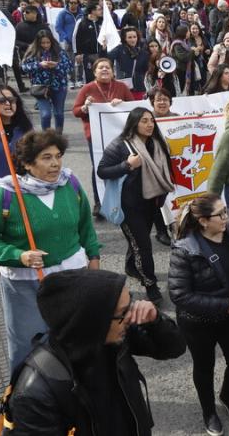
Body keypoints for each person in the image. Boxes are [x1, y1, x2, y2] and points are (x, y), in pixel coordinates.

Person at [2, 268, 185, 435]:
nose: (130, 316)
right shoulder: (35, 392)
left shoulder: (114, 334)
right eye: (123, 312)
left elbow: (174, 348)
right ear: (93, 322)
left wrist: (155, 321)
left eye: (130, 303)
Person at [0, 130, 99, 373]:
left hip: (73, 277)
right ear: (28, 163)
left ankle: (77, 391)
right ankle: (26, 400)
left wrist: (93, 257)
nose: (56, 164)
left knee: (75, 337)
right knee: (28, 345)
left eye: (58, 156)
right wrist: (19, 255)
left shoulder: (69, 183)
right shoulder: (6, 194)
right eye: (46, 157)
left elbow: (85, 226)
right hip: (25, 285)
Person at [169, 193, 229, 436]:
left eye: (225, 211)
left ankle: (227, 397)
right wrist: (222, 306)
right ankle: (209, 412)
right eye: (221, 214)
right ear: (204, 221)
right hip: (198, 322)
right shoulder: (185, 249)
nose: (226, 218)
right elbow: (179, 295)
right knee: (204, 367)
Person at [97, 107, 174, 305]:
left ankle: (131, 267)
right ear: (134, 123)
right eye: (144, 121)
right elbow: (102, 171)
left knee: (138, 243)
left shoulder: (158, 143)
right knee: (144, 246)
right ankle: (150, 284)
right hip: (128, 208)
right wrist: (127, 165)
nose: (149, 125)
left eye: (151, 120)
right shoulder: (120, 145)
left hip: (151, 204)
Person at [72, 58, 132, 218]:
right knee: (99, 167)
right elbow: (76, 111)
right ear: (94, 72)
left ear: (113, 72)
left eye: (108, 67)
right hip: (96, 136)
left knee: (124, 166)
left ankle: (124, 199)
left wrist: (122, 104)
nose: (105, 70)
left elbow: (133, 106)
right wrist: (85, 107)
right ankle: (99, 201)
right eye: (101, 68)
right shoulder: (87, 88)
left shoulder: (121, 87)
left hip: (120, 136)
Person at [20, 30, 73, 132]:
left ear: (52, 41)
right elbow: (24, 67)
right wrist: (39, 65)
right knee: (45, 115)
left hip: (59, 86)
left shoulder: (59, 51)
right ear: (38, 43)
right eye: (43, 43)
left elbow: (69, 67)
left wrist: (56, 65)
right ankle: (46, 138)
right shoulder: (33, 52)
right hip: (40, 88)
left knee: (59, 114)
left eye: (48, 42)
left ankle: (58, 137)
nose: (45, 45)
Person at [0, 87, 33, 179]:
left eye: (12, 100)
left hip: (22, 187)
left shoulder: (25, 128)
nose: (8, 103)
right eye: (2, 100)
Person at [107, 26, 150, 100]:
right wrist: (111, 74)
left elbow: (146, 69)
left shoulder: (143, 52)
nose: (133, 40)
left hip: (140, 86)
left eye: (134, 37)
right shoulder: (119, 49)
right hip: (124, 85)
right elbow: (107, 59)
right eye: (129, 37)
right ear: (125, 38)